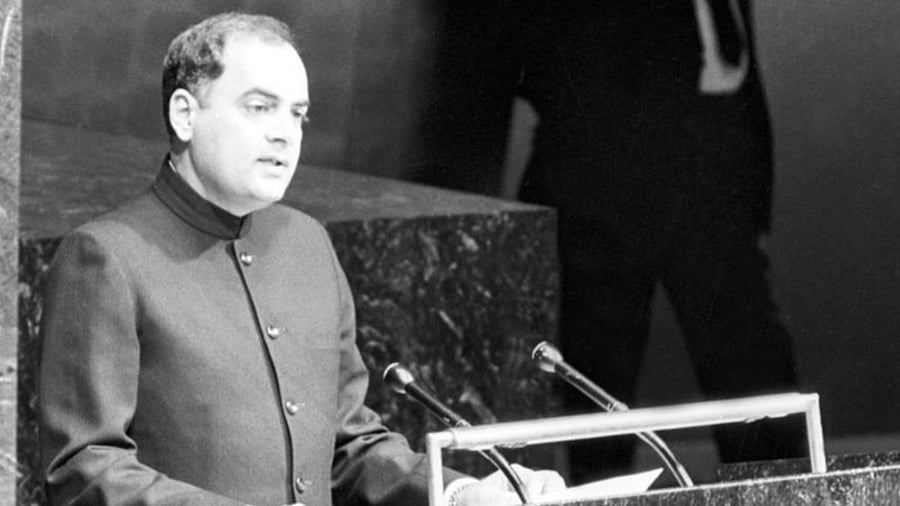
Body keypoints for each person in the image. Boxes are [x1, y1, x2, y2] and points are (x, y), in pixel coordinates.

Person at [37, 12, 564, 506]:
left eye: (298, 114)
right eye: (259, 107)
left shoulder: (308, 243)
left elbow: (349, 445)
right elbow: (85, 468)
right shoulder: (106, 256)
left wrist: (459, 494)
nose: (284, 133)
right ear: (185, 114)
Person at [370, 0, 807, 482]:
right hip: (600, 185)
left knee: (757, 380)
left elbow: (734, 69)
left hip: (715, 190)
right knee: (596, 397)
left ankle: (785, 492)